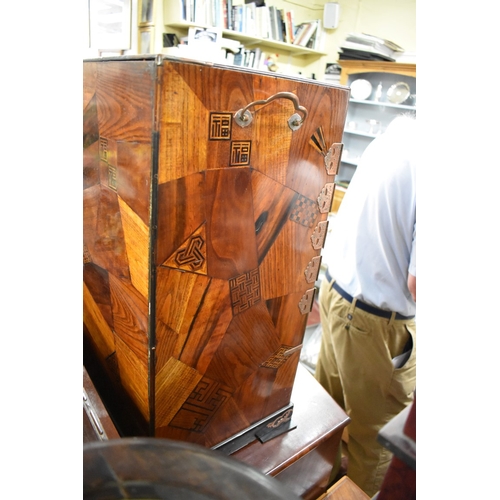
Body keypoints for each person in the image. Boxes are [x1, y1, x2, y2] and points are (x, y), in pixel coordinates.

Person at [315, 114, 416, 497]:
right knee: (374, 440)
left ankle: (319, 487)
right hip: (376, 323)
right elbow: (419, 283)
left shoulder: (394, 137)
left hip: (338, 295)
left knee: (329, 414)